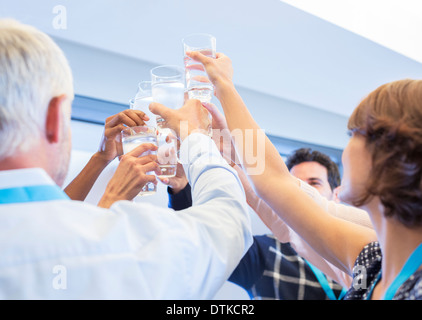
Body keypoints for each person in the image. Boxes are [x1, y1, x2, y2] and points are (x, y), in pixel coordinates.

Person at [0, 19, 252, 299]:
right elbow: (228, 224)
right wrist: (195, 136)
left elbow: (47, 222)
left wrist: (101, 158)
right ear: (54, 117)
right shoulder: (116, 245)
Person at [186, 49, 422, 300]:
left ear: (391, 153)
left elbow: (276, 184)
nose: (344, 153)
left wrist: (223, 85)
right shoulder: (371, 261)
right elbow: (283, 200)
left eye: (353, 134)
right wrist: (233, 154)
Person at [164, 147, 347, 299]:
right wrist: (181, 187)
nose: (303, 192)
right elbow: (206, 241)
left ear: (336, 195)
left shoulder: (355, 248)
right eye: (296, 184)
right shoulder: (265, 251)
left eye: (313, 183)